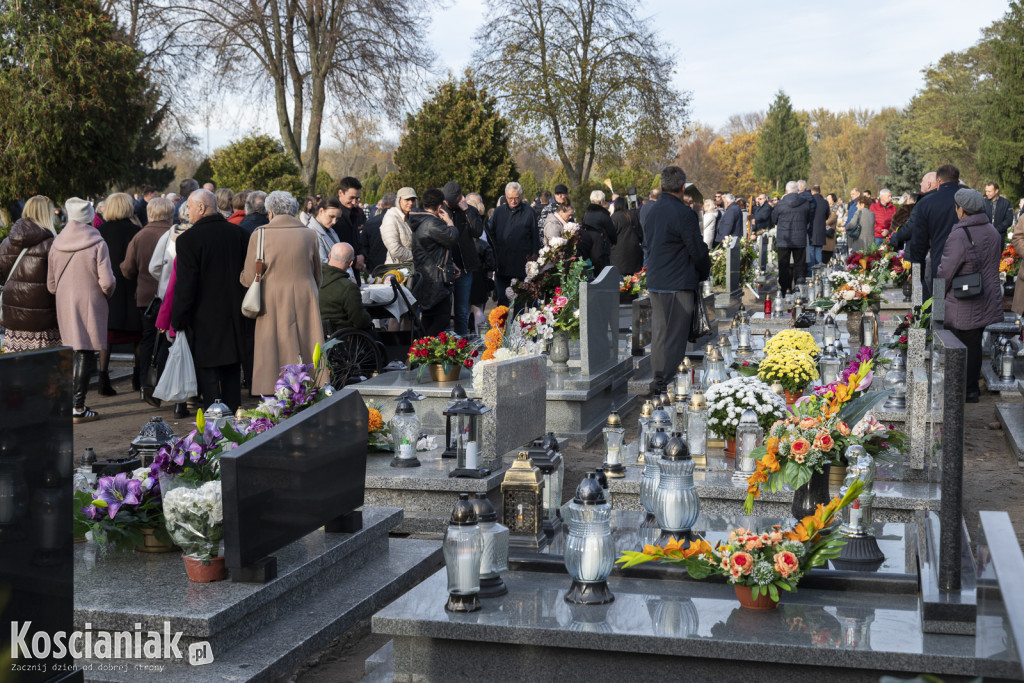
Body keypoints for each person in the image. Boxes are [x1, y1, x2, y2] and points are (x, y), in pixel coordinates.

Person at [171, 189, 249, 411]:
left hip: (204, 320)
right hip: (235, 316)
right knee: (232, 374)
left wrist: (178, 320)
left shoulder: (188, 240)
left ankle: (214, 430)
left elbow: (186, 285)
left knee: (208, 379)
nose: (187, 212)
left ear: (201, 208)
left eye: (189, 207)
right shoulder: (240, 235)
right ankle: (235, 424)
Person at [240, 191, 323, 395]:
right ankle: (308, 386)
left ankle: (273, 390)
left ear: (270, 212)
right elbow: (317, 274)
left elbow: (249, 278)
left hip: (271, 298)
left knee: (272, 346)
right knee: (306, 343)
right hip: (305, 296)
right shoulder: (309, 234)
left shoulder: (259, 234)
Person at [47, 197, 116, 422]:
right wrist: (105, 294)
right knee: (85, 351)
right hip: (90, 302)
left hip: (64, 303)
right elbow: (107, 282)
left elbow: (51, 285)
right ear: (89, 217)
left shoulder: (56, 243)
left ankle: (67, 404)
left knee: (71, 352)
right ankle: (78, 407)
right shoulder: (98, 242)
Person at [643, 166, 710, 394]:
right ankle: (665, 384)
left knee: (661, 333)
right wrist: (703, 272)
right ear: (683, 187)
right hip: (678, 282)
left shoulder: (650, 211)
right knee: (675, 336)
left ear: (662, 186)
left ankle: (659, 380)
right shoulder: (684, 213)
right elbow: (697, 250)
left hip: (656, 280)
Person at [936, 189, 1003, 403]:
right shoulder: (992, 230)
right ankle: (971, 388)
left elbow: (946, 271)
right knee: (974, 342)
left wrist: (937, 299)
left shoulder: (959, 235)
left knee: (963, 345)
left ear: (962, 210)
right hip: (987, 295)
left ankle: (965, 389)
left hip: (964, 299)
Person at [120, 197, 173, 405]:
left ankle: (146, 385)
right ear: (170, 213)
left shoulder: (139, 236)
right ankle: (166, 384)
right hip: (170, 297)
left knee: (148, 340)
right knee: (171, 342)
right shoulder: (175, 235)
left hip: (146, 299)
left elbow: (127, 269)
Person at [0, 195, 61, 352]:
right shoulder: (52, 244)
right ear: (46, 214)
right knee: (46, 370)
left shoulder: (7, 242)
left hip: (13, 320)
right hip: (43, 321)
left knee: (16, 370)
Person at [97, 192, 142, 395]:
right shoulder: (136, 231)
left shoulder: (100, 231)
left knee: (106, 336)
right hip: (132, 286)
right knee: (138, 335)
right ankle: (138, 378)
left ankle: (103, 378)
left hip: (108, 288)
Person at [410, 188, 459, 334]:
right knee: (442, 318)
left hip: (427, 273)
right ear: (439, 207)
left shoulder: (421, 220)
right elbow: (451, 238)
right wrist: (450, 222)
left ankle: (422, 350)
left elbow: (435, 249)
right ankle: (422, 350)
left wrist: (450, 263)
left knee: (429, 317)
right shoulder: (431, 223)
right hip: (435, 277)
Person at [908, 165, 961, 298]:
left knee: (939, 308)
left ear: (939, 182)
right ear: (957, 180)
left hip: (940, 265)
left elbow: (919, 242)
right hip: (967, 267)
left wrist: (917, 275)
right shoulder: (968, 200)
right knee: (966, 310)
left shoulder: (927, 203)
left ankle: (938, 318)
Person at [488, 181, 539, 307]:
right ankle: (502, 326)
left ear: (521, 196)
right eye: (510, 198)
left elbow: (535, 236)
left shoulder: (529, 212)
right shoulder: (499, 212)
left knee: (520, 300)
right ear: (506, 196)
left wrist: (534, 255)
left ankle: (518, 325)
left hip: (521, 262)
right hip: (502, 262)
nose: (514, 201)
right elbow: (491, 234)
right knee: (502, 299)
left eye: (516, 197)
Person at [443, 182, 484, 336]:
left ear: (460, 197)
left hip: (465, 267)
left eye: (454, 199)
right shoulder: (441, 210)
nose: (450, 202)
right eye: (448, 199)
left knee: (461, 311)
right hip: (445, 266)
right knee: (445, 312)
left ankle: (461, 344)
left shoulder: (470, 211)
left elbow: (477, 232)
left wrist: (467, 210)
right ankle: (446, 346)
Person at [320, 242, 371, 334]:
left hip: (318, 336)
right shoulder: (348, 287)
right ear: (351, 263)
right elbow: (360, 322)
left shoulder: (313, 280)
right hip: (345, 338)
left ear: (329, 256)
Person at [772, 181, 811, 295]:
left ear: (786, 191)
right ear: (797, 190)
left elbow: (774, 219)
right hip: (799, 238)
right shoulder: (805, 203)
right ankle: (798, 290)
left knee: (783, 265)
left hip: (784, 239)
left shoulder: (780, 204)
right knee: (799, 264)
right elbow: (808, 219)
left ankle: (785, 290)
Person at [892, 172, 937, 250]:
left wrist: (896, 236)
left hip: (921, 249)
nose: (920, 184)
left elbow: (912, 226)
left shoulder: (924, 202)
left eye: (922, 181)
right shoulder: (940, 199)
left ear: (928, 184)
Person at [335, 177, 367, 273]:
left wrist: (362, 255)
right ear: (340, 193)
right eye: (351, 198)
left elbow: (357, 241)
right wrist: (354, 260)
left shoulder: (355, 213)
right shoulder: (334, 217)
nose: (354, 202)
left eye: (357, 198)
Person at [581, 191, 616, 272]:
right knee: (604, 272)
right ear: (601, 201)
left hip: (588, 247)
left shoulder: (587, 213)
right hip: (601, 246)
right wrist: (613, 241)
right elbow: (611, 230)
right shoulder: (603, 214)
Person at [383, 187, 417, 264]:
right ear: (399, 200)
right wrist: (417, 256)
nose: (411, 203)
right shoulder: (391, 218)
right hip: (398, 269)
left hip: (412, 267)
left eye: (413, 200)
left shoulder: (412, 217)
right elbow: (395, 249)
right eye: (407, 200)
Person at [609, 196, 642, 276]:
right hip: (634, 250)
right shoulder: (633, 215)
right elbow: (640, 232)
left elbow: (611, 235)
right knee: (633, 281)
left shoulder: (614, 217)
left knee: (621, 282)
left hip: (618, 253)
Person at [361, 193, 394, 273]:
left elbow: (364, 245)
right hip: (395, 267)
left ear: (382, 205)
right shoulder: (399, 221)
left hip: (375, 267)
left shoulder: (370, 222)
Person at [307, 196, 343, 264]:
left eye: (337, 218)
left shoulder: (330, 230)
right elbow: (322, 264)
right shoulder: (312, 233)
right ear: (321, 211)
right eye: (331, 216)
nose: (334, 222)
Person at [808, 185, 829, 272]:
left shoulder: (810, 201)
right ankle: (819, 273)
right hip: (820, 229)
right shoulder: (825, 202)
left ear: (812, 192)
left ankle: (811, 273)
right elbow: (827, 215)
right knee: (819, 251)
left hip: (811, 229)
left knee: (811, 252)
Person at [823, 193, 839, 264]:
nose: (827, 200)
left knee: (826, 257)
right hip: (826, 235)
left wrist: (822, 222)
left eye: (828, 199)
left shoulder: (834, 208)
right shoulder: (827, 207)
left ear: (833, 199)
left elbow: (831, 219)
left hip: (829, 234)